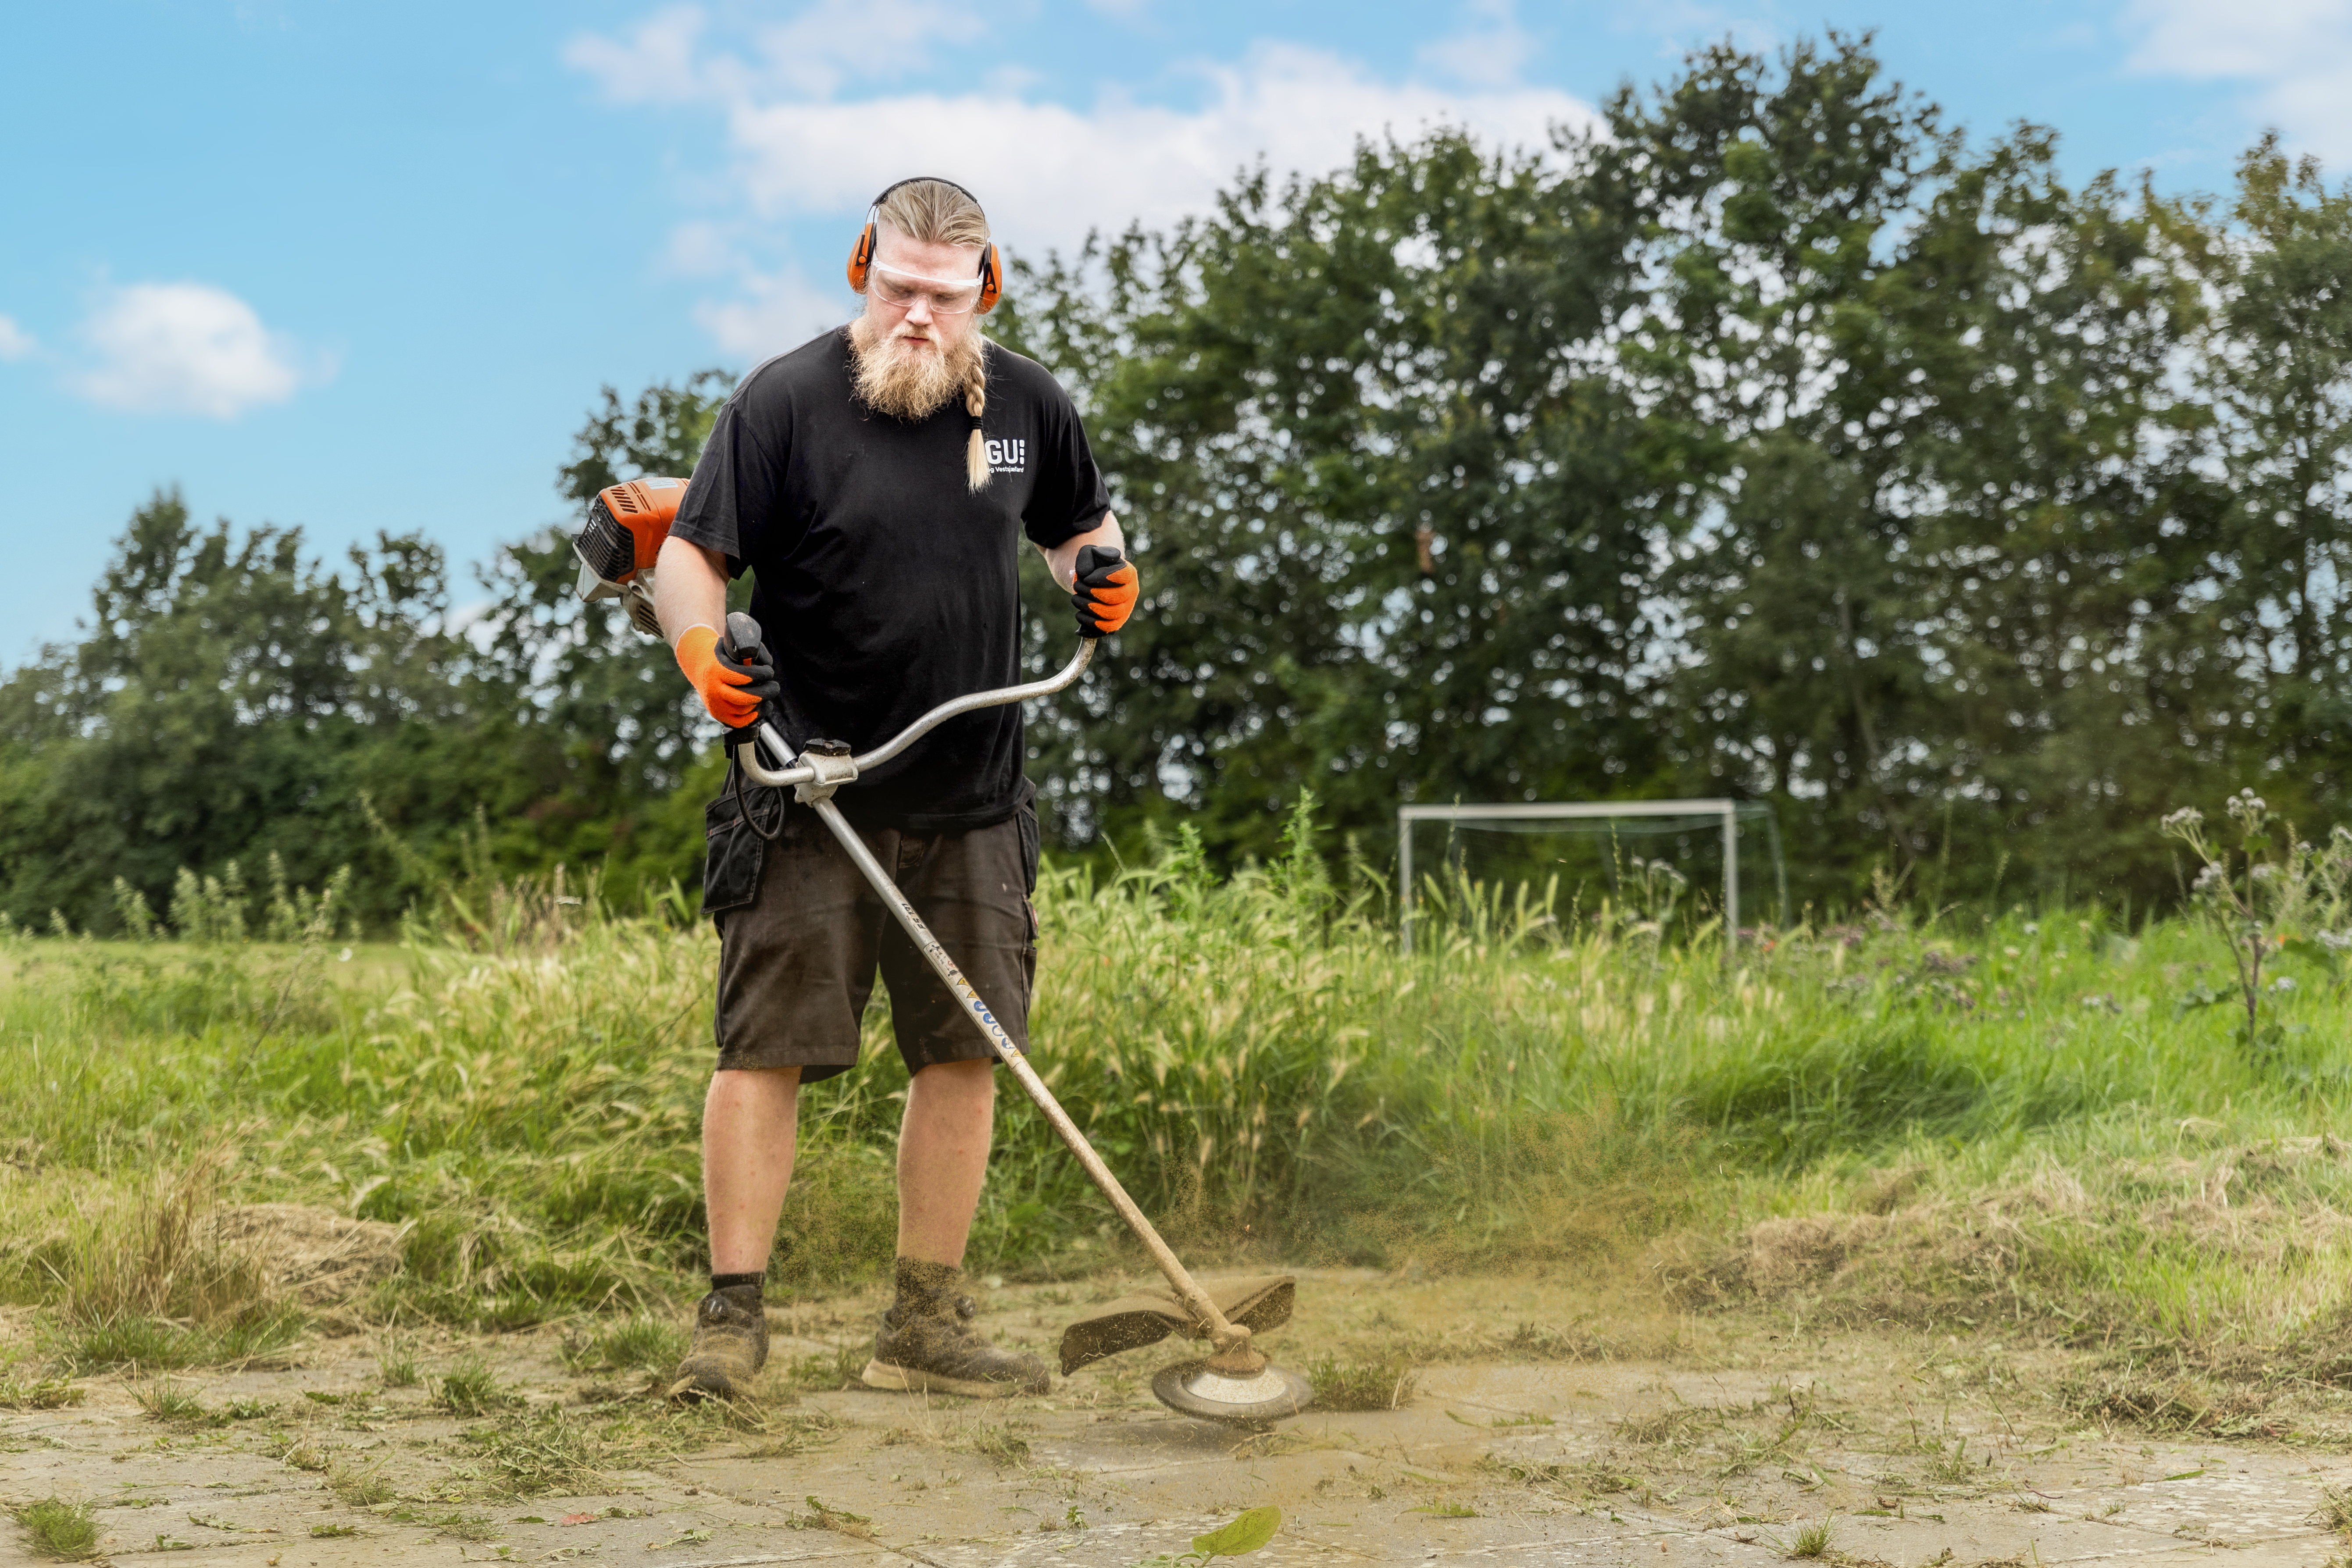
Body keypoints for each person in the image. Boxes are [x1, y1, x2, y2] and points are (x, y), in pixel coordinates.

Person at [650, 177, 1140, 1403]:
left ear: (986, 288)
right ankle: (731, 1320)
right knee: (763, 1052)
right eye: (899, 288)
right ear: (862, 268)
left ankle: (922, 1328)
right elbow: (691, 556)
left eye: (945, 295)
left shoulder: (1027, 406)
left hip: (973, 790)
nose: (919, 315)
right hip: (806, 789)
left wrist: (1105, 571)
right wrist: (704, 657)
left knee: (964, 1053)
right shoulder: (784, 401)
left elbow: (1077, 528)